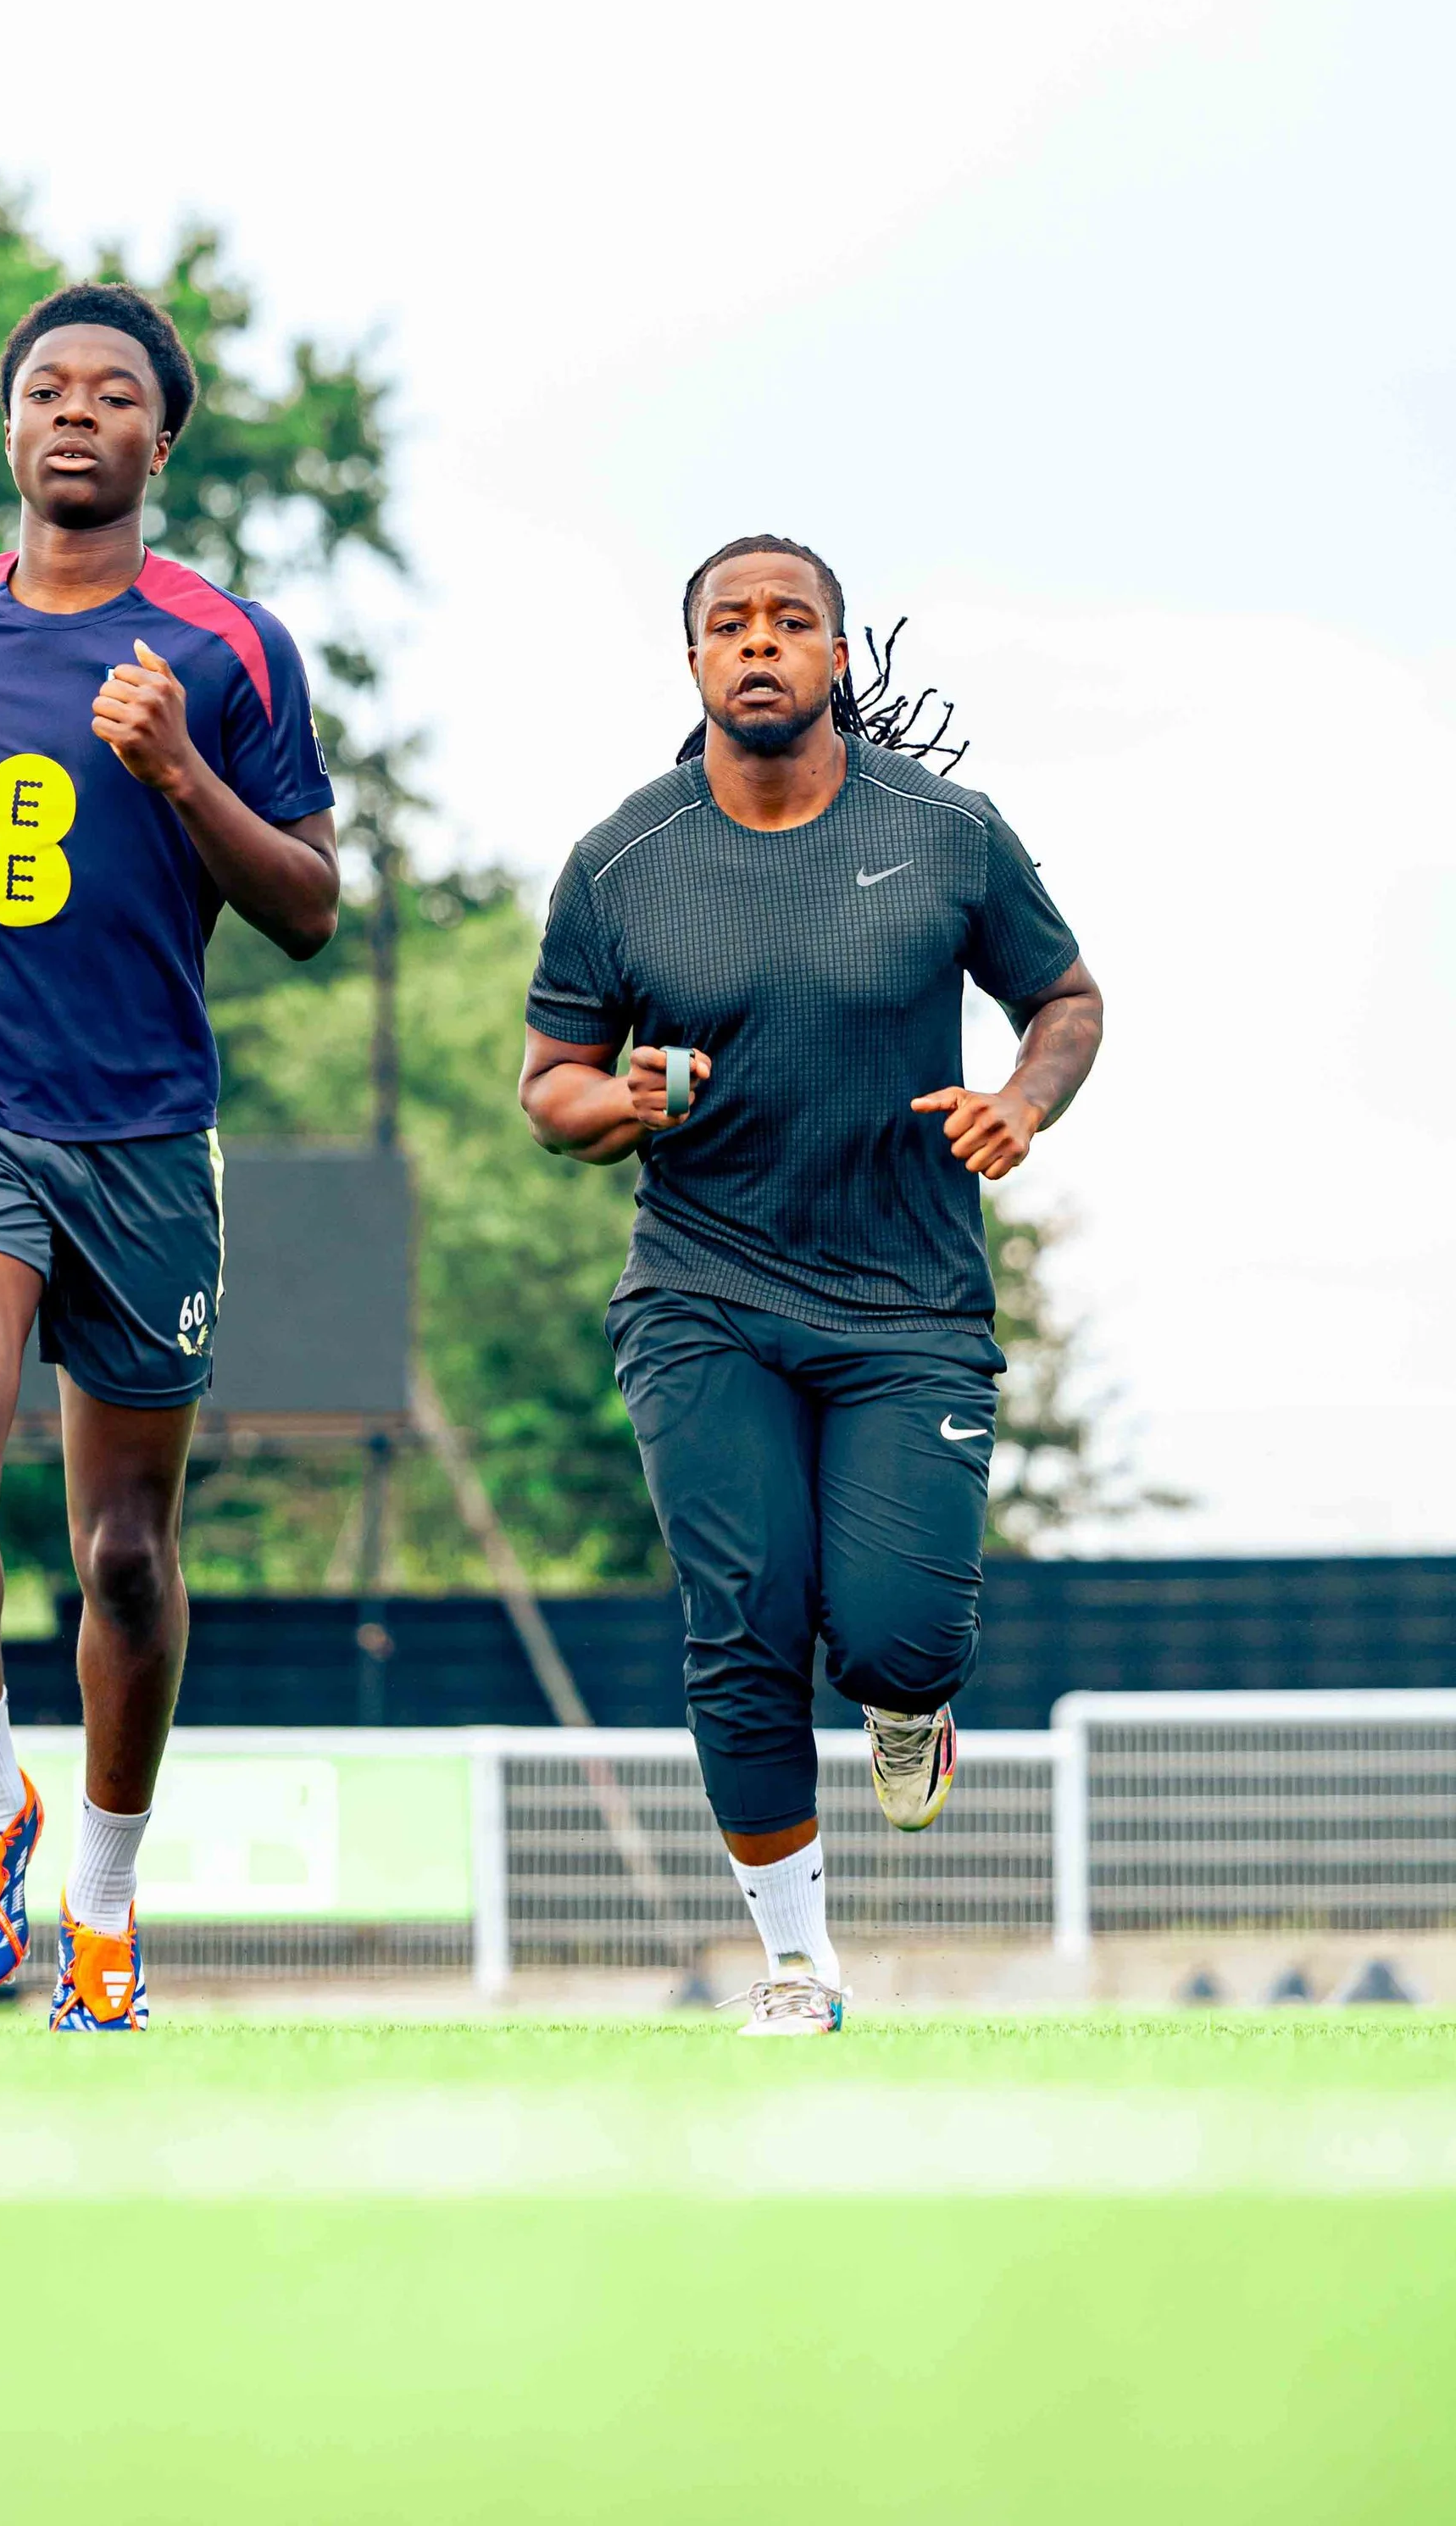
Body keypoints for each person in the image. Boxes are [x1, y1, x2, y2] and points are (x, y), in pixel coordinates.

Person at [520, 534, 1102, 2032]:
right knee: (746, 1611)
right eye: (732, 624)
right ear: (696, 661)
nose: (761, 642)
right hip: (702, 1295)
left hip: (909, 1306)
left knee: (895, 1633)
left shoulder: (951, 831)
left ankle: (912, 1704)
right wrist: (627, 1094)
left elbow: (1065, 997)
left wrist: (1023, 1103)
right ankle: (796, 1962)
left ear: (838, 655)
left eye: (793, 621)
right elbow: (549, 1090)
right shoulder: (622, 864)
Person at [0, 282, 338, 2027]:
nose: (73, 413)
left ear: (158, 438)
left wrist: (185, 770)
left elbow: (306, 907)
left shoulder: (229, 648)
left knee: (124, 1552)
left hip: (143, 1134)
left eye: (110, 394)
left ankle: (106, 1909)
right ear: (8, 428)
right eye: (43, 388)